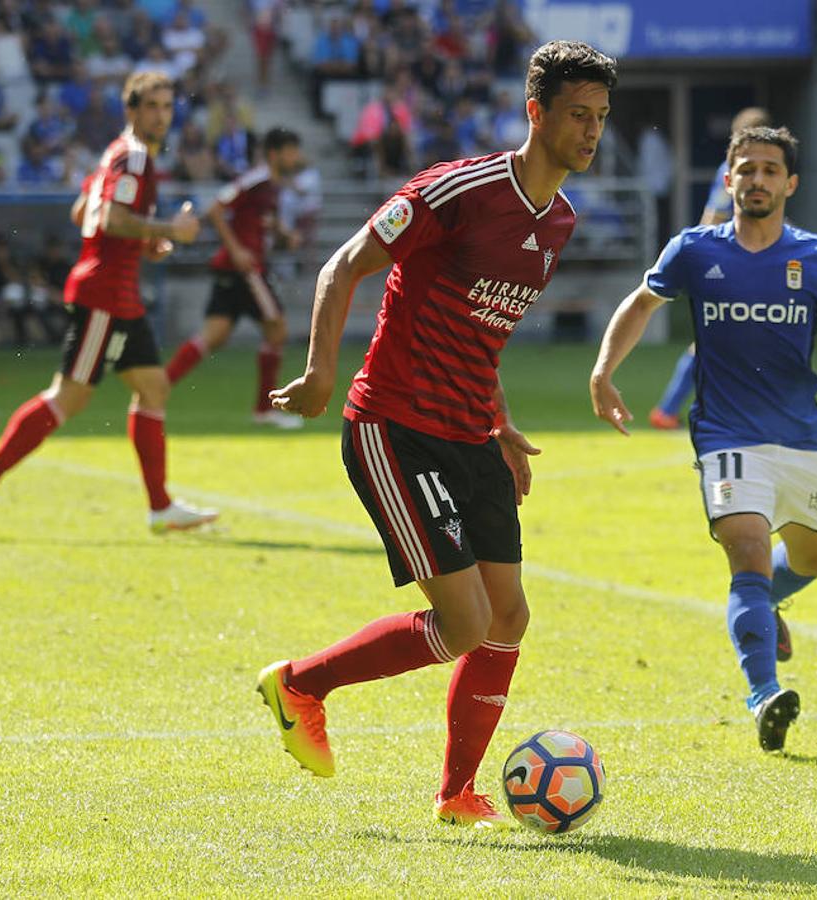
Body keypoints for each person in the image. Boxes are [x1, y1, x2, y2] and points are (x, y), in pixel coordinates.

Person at [255, 40, 617, 826]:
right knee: (465, 623)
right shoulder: (458, 190)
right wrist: (319, 371)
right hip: (397, 427)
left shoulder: (558, 222)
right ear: (536, 113)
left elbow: (479, 332)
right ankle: (299, 685)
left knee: (508, 617)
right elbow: (343, 266)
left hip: (471, 433)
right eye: (577, 116)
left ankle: (457, 793)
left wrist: (504, 422)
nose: (591, 132)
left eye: (600, 118)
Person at [590, 125, 817, 753]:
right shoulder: (695, 249)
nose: (757, 179)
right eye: (746, 169)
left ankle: (767, 606)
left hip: (801, 438)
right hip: (726, 435)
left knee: (815, 559)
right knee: (748, 550)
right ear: (728, 180)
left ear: (791, 183)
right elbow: (640, 305)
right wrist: (604, 371)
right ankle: (764, 695)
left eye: (770, 170)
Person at [0, 71, 218, 538]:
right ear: (132, 110)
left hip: (120, 295)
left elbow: (84, 214)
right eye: (153, 105)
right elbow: (111, 219)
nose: (162, 114)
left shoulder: (116, 154)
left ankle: (160, 508)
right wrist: (166, 231)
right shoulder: (134, 158)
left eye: (167, 105)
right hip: (105, 296)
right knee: (70, 396)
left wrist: (142, 240)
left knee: (154, 387)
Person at [165, 127, 307, 429]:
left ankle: (159, 386)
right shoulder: (256, 179)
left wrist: (283, 234)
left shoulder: (272, 185)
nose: (296, 158)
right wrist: (238, 249)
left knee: (213, 335)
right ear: (275, 153)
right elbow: (216, 208)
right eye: (291, 151)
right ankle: (264, 409)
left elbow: (259, 220)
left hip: (234, 268)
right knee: (277, 329)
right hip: (246, 269)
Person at [650, 107, 772, 431]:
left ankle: (674, 410)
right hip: (732, 265)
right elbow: (714, 217)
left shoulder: (741, 170)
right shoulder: (734, 170)